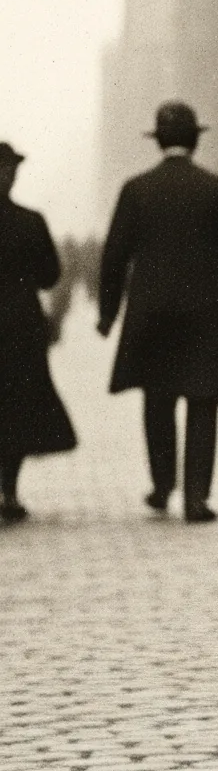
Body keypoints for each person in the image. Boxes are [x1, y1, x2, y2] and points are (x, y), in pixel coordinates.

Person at [98, 102, 218, 525]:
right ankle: (196, 499)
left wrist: (108, 313)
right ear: (196, 139)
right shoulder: (217, 187)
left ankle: (162, 485)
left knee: (157, 399)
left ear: (159, 140)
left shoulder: (136, 188)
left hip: (151, 312)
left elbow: (114, 256)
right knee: (203, 402)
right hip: (206, 314)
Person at [0, 143, 75, 523]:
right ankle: (9, 492)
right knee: (15, 409)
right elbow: (50, 275)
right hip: (19, 326)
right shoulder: (31, 221)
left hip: (19, 327)